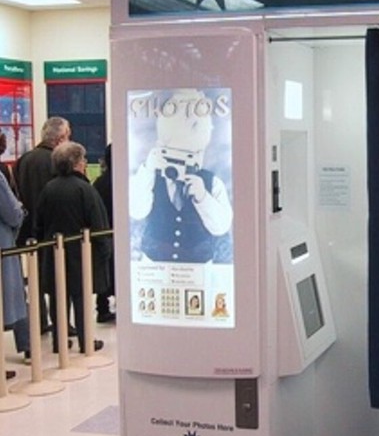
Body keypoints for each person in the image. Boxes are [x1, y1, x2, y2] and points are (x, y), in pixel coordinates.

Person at [129, 89, 233, 263]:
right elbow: (137, 211)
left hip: (199, 268)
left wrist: (203, 198)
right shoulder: (150, 178)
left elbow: (221, 227)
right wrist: (147, 169)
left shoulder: (211, 183)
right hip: (155, 266)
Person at [35, 141, 112, 354]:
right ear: (77, 163)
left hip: (53, 252)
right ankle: (85, 341)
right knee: (81, 298)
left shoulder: (48, 189)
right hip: (81, 254)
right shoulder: (85, 189)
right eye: (83, 159)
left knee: (58, 298)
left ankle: (59, 341)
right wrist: (105, 250)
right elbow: (98, 223)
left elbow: (39, 224)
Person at [15, 117, 72, 335]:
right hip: (53, 229)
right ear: (60, 138)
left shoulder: (24, 160)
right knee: (59, 279)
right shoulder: (56, 161)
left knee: (35, 278)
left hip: (29, 228)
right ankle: (62, 324)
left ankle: (39, 320)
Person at [0, 169, 30, 366]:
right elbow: (12, 213)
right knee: (14, 295)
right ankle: (28, 347)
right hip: (3, 248)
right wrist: (20, 212)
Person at [93, 143, 115, 323]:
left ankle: (102, 307)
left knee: (105, 269)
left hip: (103, 231)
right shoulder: (125, 181)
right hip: (119, 232)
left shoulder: (99, 182)